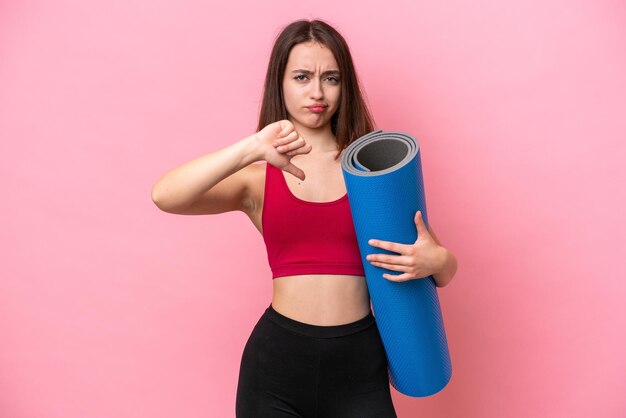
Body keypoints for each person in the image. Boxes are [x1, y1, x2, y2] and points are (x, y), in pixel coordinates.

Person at [151, 19, 457, 418]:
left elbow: (441, 265)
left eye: (330, 78)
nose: (317, 92)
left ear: (344, 85)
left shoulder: (371, 170)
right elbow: (165, 195)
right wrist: (252, 148)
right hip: (277, 365)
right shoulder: (258, 177)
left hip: (359, 365)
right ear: (280, 83)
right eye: (301, 77)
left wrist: (438, 261)